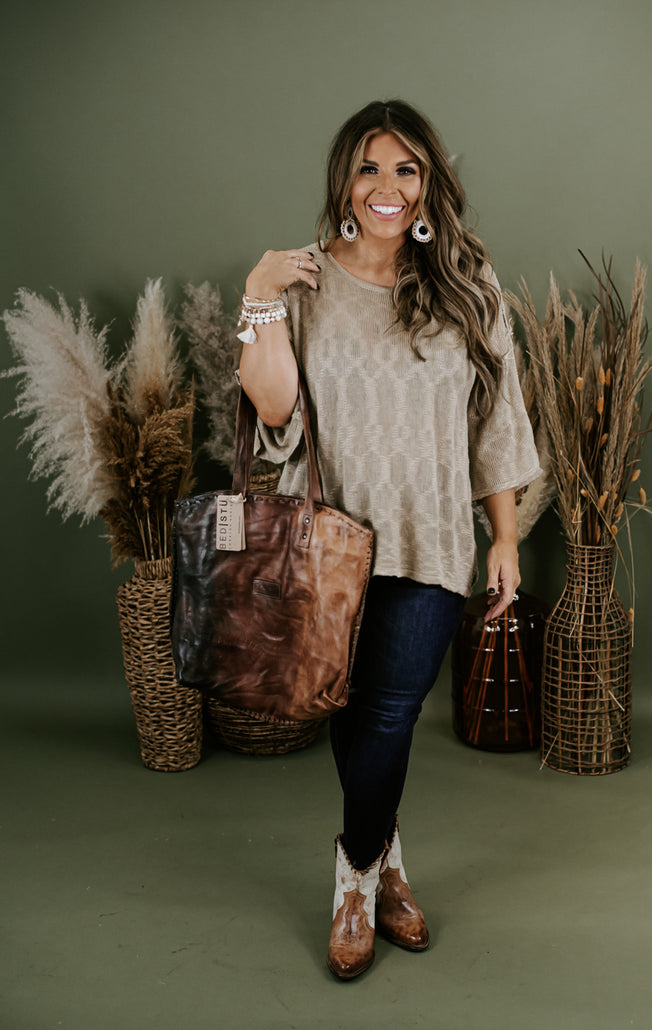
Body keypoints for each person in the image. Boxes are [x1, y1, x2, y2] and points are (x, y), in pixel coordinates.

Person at [237, 100, 541, 980]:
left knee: (390, 712)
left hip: (432, 539)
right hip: (329, 547)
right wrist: (258, 296)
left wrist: (506, 536)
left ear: (429, 183)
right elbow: (273, 409)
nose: (387, 187)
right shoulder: (303, 283)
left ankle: (354, 881)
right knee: (353, 709)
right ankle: (390, 868)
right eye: (369, 168)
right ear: (345, 181)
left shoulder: (467, 285)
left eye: (406, 169)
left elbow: (496, 420)